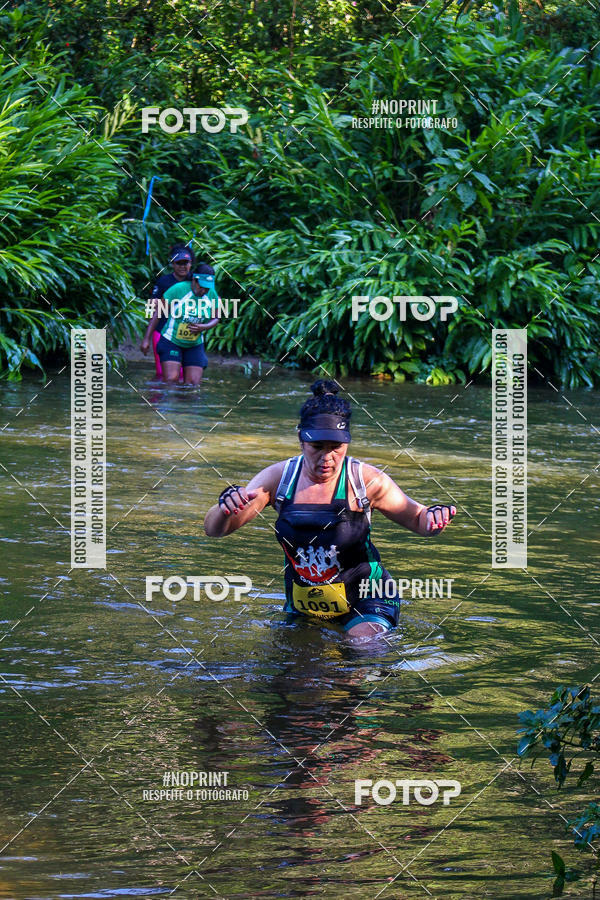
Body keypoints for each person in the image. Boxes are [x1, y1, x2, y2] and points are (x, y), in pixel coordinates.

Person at [204, 380, 456, 641]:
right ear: (301, 439)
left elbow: (418, 519)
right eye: (317, 447)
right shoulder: (278, 479)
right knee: (291, 677)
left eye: (336, 447)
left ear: (347, 442)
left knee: (360, 650)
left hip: (367, 597)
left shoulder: (366, 481)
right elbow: (214, 531)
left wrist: (434, 518)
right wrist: (226, 507)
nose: (327, 458)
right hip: (306, 603)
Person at [141, 264, 219, 385]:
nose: (204, 291)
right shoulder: (178, 289)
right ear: (194, 280)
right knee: (171, 381)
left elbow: (216, 318)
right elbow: (157, 314)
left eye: (207, 288)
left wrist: (205, 326)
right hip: (171, 341)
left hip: (194, 344)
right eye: (202, 287)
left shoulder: (212, 294)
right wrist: (146, 339)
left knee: (193, 385)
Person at [143, 244, 196, 379]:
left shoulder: (196, 281)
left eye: (186, 263)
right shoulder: (163, 281)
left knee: (185, 376)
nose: (183, 266)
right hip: (162, 331)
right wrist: (146, 339)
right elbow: (152, 309)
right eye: (179, 263)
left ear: (191, 264)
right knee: (163, 375)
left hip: (187, 334)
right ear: (173, 264)